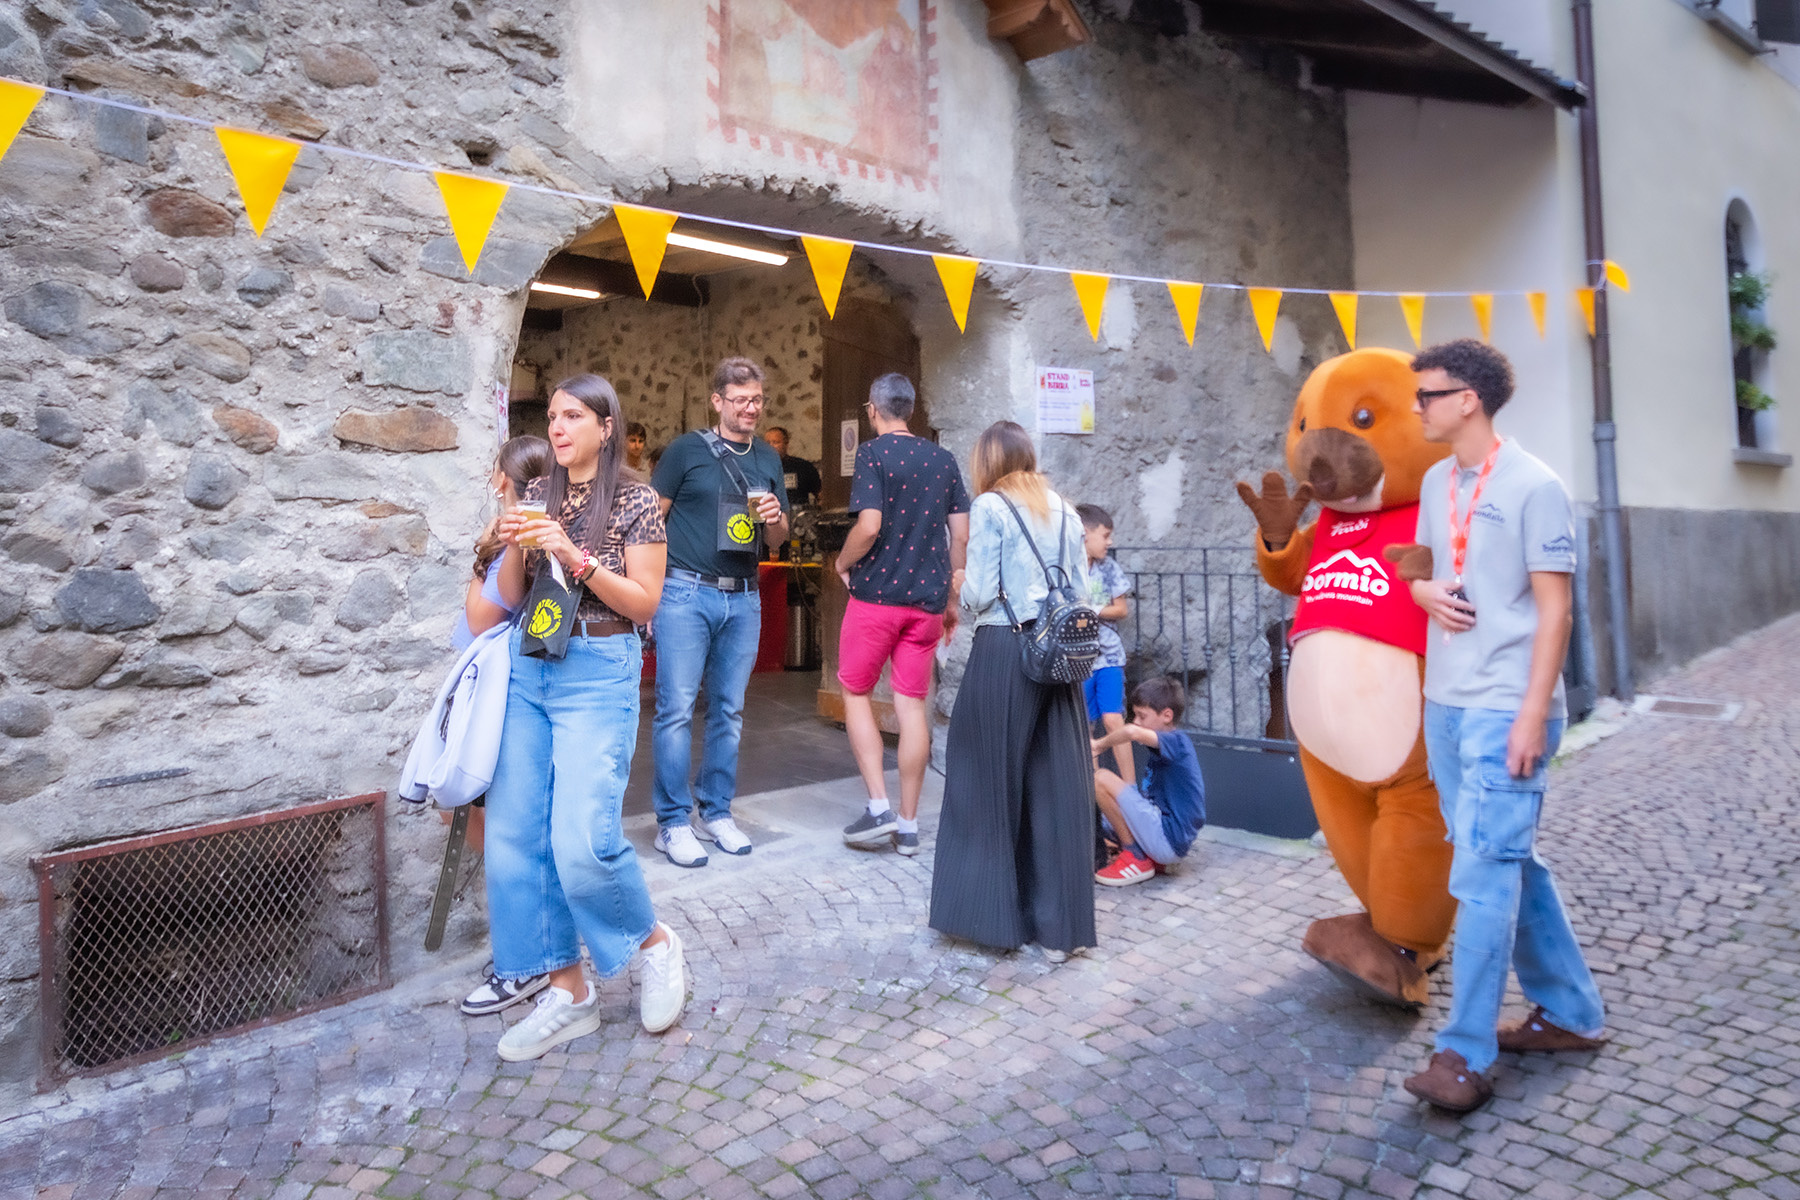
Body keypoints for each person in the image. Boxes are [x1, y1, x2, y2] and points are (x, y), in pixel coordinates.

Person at [1394, 339, 1606, 1114]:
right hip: (1446, 702)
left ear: (1467, 400)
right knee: (1504, 860)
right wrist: (1419, 595)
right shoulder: (1434, 479)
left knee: (1483, 874)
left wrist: (1530, 716)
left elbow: (1557, 610)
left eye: (1426, 395)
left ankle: (1463, 1052)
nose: (1416, 407)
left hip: (1503, 710)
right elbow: (1420, 565)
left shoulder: (1534, 486)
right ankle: (1573, 1012)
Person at [482, 373, 686, 1062]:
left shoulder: (636, 501)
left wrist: (573, 554)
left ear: (606, 425)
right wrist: (516, 541)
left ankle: (652, 943)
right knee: (514, 835)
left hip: (598, 668)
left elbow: (645, 604)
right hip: (531, 660)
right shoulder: (538, 492)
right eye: (552, 417)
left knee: (581, 837)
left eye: (573, 416)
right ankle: (568, 992)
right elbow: (511, 595)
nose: (558, 428)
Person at [929, 421, 1095, 962]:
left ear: (988, 463)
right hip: (1059, 653)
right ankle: (1060, 930)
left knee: (983, 779)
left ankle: (992, 921)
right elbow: (1081, 589)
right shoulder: (1066, 509)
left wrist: (959, 587)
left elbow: (978, 593)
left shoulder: (992, 507)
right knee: (1057, 786)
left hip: (1006, 647)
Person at [649, 358, 790, 867]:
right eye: (740, 400)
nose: (750, 408)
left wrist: (775, 519)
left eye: (756, 400)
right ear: (718, 402)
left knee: (729, 711)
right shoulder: (686, 451)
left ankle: (716, 812)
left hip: (745, 595)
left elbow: (777, 539)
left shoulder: (768, 459)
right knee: (676, 710)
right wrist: (649, 588)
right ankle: (671, 822)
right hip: (685, 592)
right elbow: (651, 519)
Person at [833, 374, 970, 856]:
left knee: (855, 693)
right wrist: (951, 599)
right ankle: (909, 825)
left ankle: (878, 807)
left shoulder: (873, 455)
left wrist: (842, 561)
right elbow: (961, 538)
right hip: (926, 605)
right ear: (911, 409)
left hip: (876, 600)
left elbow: (868, 527)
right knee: (912, 706)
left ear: (872, 410)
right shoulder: (944, 459)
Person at [447, 435, 552, 1018]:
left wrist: (484, 556)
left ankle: (530, 949)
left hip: (500, 694)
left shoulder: (519, 539)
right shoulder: (512, 534)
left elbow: (483, 614)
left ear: (501, 480)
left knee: (493, 822)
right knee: (462, 809)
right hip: (481, 689)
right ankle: (529, 936)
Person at [1089, 678, 1206, 886]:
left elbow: (1132, 732)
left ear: (1167, 716)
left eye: (1142, 716)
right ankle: (1141, 853)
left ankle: (1135, 857)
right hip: (1168, 841)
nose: (1136, 721)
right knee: (1104, 823)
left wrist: (1099, 745)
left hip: (1168, 840)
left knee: (1100, 779)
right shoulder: (1165, 748)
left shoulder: (1177, 742)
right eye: (1135, 715)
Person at [1075, 504, 1134, 787]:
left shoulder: (1108, 568)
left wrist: (1090, 610)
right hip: (1080, 659)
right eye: (1105, 535)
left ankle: (1130, 788)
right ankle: (1095, 792)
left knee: (1113, 719)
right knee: (1084, 725)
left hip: (1108, 657)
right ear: (1085, 533)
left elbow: (1121, 609)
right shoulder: (1067, 568)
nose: (1109, 542)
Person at [763, 424, 823, 508]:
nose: (771, 446)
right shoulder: (758, 469)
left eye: (776, 442)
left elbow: (821, 494)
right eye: (768, 443)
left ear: (786, 444)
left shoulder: (802, 466)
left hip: (796, 517)